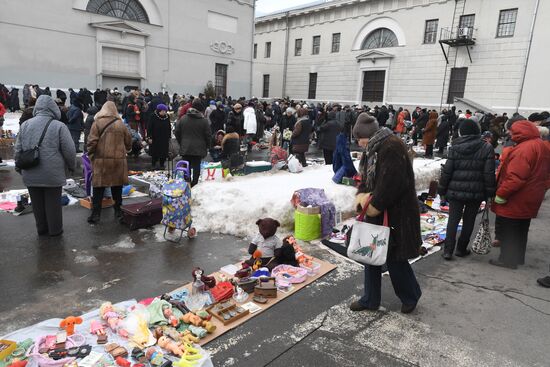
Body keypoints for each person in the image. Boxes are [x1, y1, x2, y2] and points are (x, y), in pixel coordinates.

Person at [350, 113, 422, 314]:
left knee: (394, 258)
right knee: (370, 254)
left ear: (368, 134)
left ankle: (411, 295)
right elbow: (366, 178)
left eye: (359, 137)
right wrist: (362, 196)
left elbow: (391, 184)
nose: (358, 142)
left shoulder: (391, 146)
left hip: (397, 212)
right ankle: (370, 299)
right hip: (378, 208)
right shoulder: (373, 148)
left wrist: (373, 204)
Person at [490, 120, 550, 269]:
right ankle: (516, 258)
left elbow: (515, 178)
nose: (510, 134)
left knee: (509, 229)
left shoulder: (524, 149)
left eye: (512, 131)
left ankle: (507, 260)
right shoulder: (540, 145)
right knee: (521, 229)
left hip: (517, 197)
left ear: (520, 132)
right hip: (531, 195)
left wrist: (501, 194)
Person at [14, 95, 76, 236]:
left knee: (37, 205)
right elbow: (70, 150)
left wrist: (19, 168)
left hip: (30, 171)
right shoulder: (59, 126)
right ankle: (55, 231)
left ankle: (42, 230)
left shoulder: (25, 125)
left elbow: (18, 149)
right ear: (53, 109)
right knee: (53, 204)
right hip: (52, 174)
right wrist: (71, 166)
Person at [438, 119, 496, 260]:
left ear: (461, 132)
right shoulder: (486, 147)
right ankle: (461, 249)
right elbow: (489, 173)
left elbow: (447, 171)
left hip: (455, 190)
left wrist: (442, 190)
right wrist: (490, 193)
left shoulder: (455, 147)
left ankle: (448, 251)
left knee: (453, 220)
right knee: (469, 220)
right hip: (476, 192)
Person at [86, 101, 132, 224]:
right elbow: (129, 142)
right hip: (118, 162)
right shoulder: (120, 124)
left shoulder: (97, 123)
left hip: (101, 162)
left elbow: (91, 142)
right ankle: (118, 211)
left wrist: (91, 155)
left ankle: (96, 214)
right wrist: (125, 150)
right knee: (117, 187)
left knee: (99, 188)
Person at [174, 98, 211, 187]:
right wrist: (208, 145)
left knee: (186, 165)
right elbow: (208, 135)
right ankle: (195, 184)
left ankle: (187, 182)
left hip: (185, 147)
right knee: (196, 166)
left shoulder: (183, 118)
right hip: (199, 148)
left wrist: (181, 142)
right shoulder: (204, 121)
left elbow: (177, 132)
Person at [147, 104, 171, 170]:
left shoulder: (167, 116)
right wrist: (149, 137)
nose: (164, 112)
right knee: (155, 152)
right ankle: (153, 164)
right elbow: (149, 127)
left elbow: (169, 126)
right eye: (163, 111)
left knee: (164, 152)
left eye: (165, 111)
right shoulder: (153, 116)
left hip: (164, 137)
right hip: (155, 137)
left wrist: (169, 136)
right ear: (159, 111)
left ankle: (162, 164)